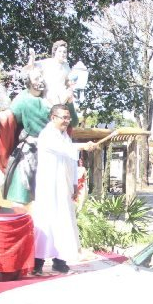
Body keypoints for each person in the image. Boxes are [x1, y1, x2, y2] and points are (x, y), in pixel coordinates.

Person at [0, 67, 77, 205]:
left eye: (41, 76)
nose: (40, 80)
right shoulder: (22, 100)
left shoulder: (52, 97)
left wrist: (69, 103)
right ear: (28, 82)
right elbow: (8, 118)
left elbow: (72, 122)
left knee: (55, 193)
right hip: (30, 150)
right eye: (36, 78)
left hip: (54, 149)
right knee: (20, 184)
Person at [31, 104, 97, 274]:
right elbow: (64, 150)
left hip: (64, 187)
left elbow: (71, 160)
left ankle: (60, 261)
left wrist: (74, 184)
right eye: (64, 117)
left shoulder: (65, 137)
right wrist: (83, 145)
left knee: (64, 221)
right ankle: (37, 262)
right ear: (53, 118)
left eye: (68, 118)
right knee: (46, 221)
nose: (67, 121)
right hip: (48, 187)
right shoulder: (47, 135)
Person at [31, 40, 73, 107]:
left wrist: (70, 88)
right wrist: (32, 57)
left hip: (62, 98)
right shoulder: (47, 63)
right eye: (60, 51)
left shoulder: (66, 66)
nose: (62, 54)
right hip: (49, 97)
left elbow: (68, 81)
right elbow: (32, 66)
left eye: (64, 52)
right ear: (55, 52)